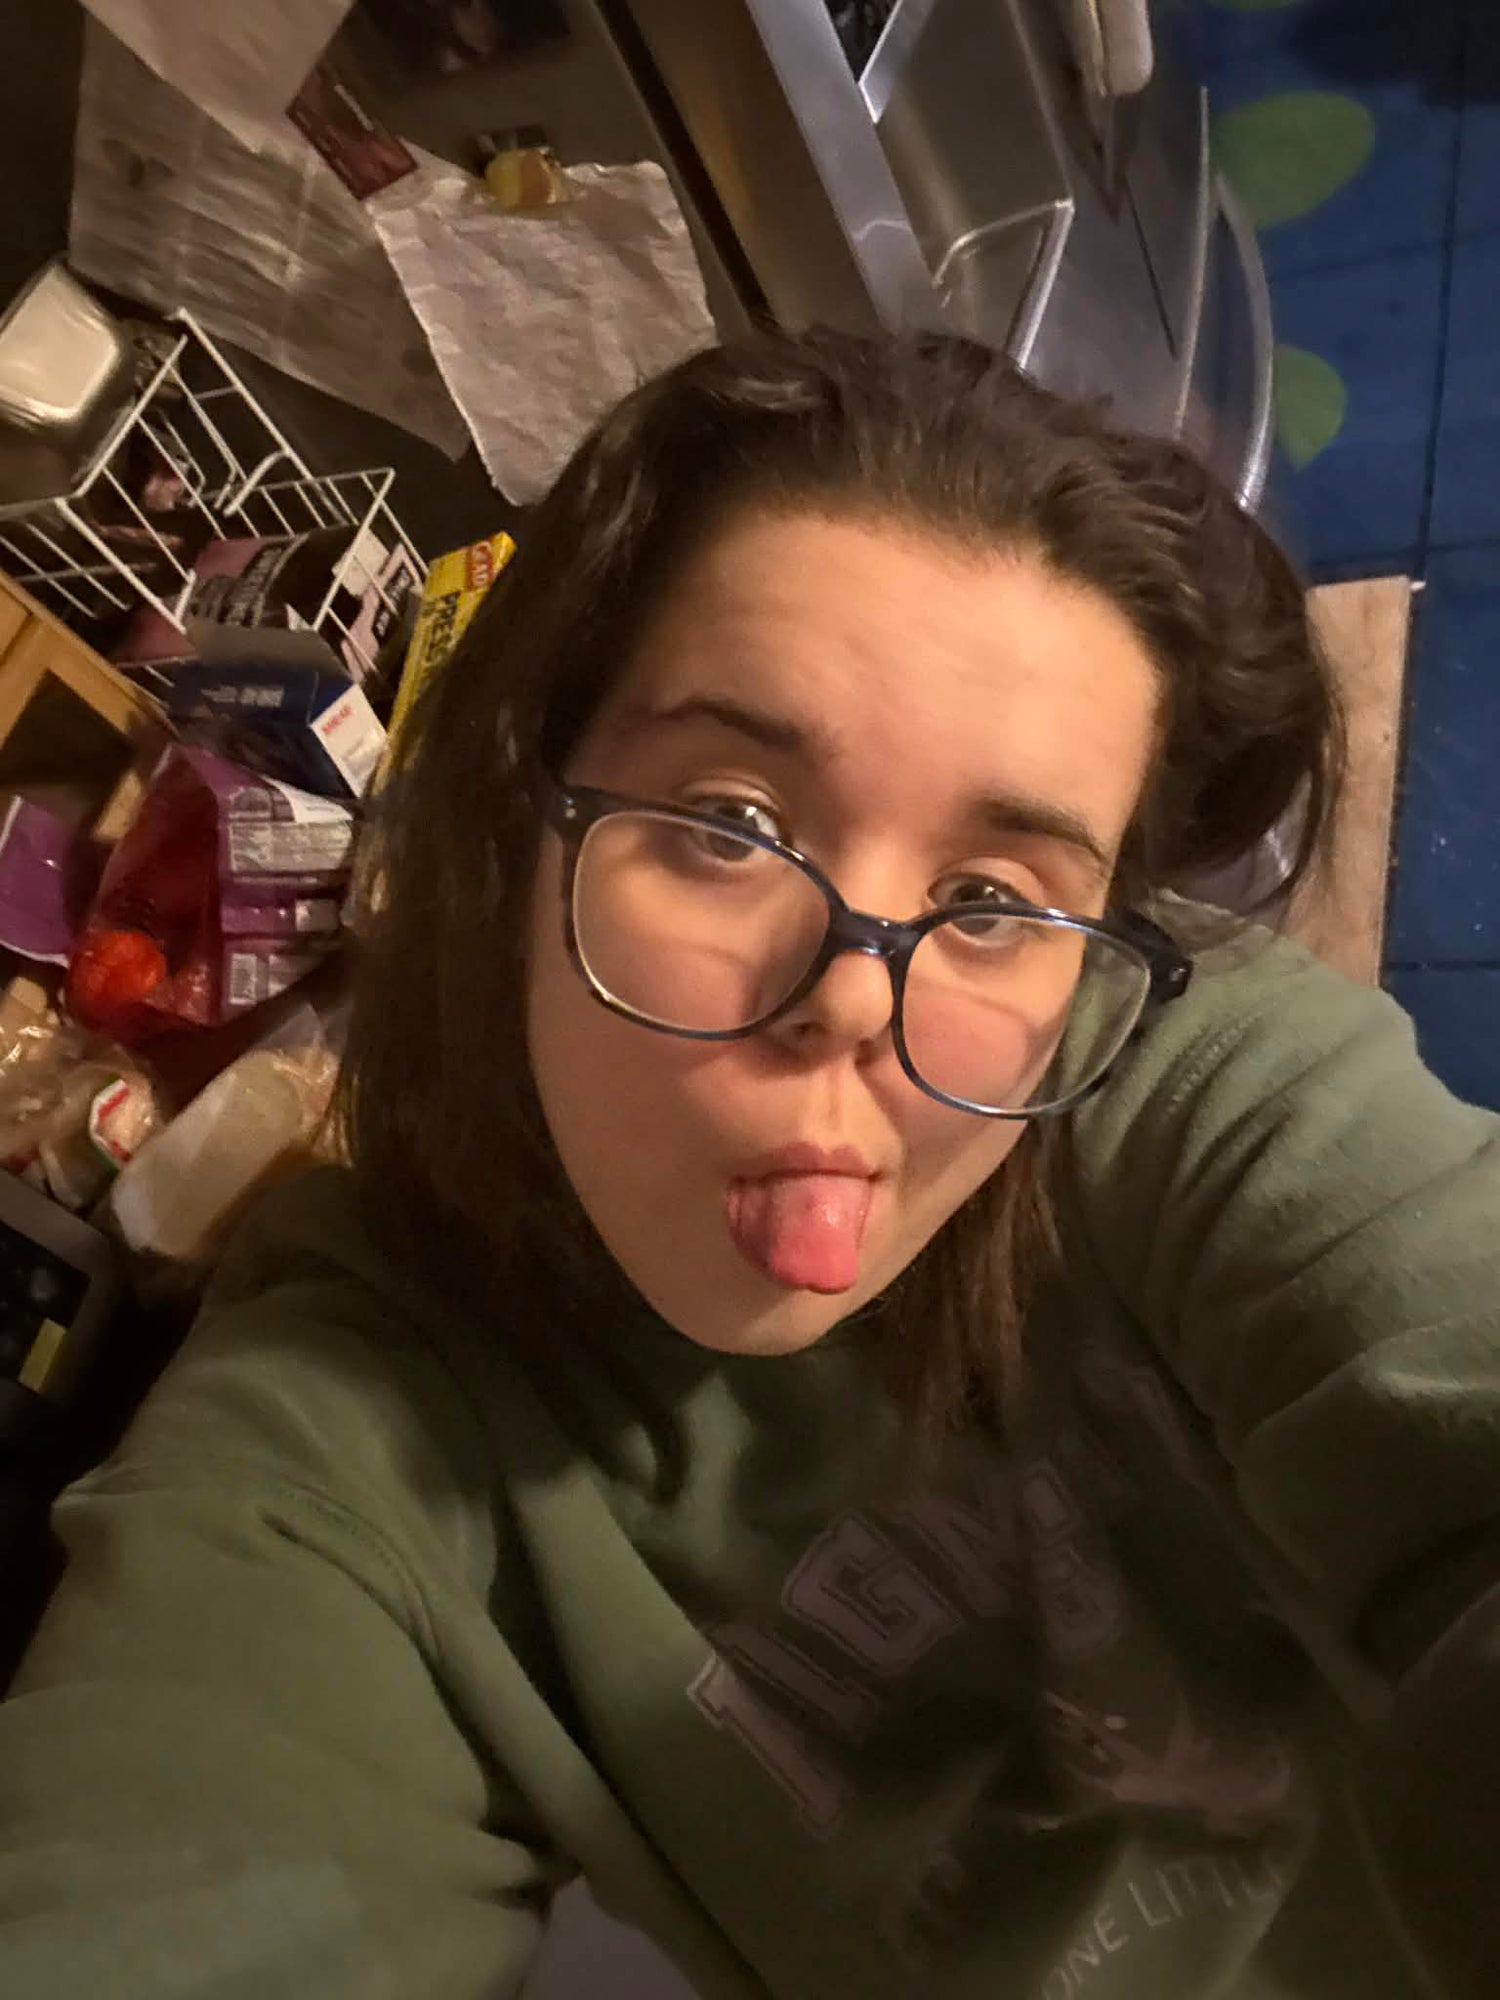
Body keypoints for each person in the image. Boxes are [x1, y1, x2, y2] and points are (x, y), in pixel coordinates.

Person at [1, 328, 1496, 2000]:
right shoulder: (346, 1434)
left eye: (993, 903)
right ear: (519, 828)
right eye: (729, 827)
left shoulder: (1187, 1080)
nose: (852, 996)